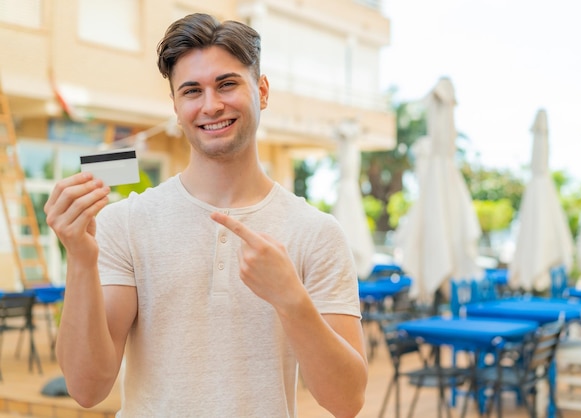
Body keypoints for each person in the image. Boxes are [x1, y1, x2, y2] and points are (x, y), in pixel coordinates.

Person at [44, 13, 368, 418]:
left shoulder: (317, 233)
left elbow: (347, 401)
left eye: (227, 84)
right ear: (176, 107)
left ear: (262, 91)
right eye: (192, 91)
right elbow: (87, 388)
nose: (211, 105)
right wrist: (79, 257)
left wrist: (292, 300)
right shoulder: (123, 223)